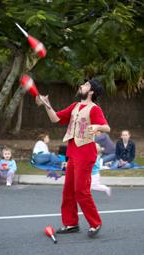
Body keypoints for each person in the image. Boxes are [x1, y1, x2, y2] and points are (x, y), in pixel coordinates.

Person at [36, 78, 110, 238]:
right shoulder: (75, 106)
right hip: (73, 153)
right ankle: (71, 223)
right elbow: (55, 118)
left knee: (81, 191)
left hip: (86, 154)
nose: (81, 86)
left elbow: (107, 127)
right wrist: (46, 105)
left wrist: (98, 126)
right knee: (68, 191)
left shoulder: (94, 109)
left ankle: (95, 223)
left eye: (85, 85)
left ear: (91, 92)